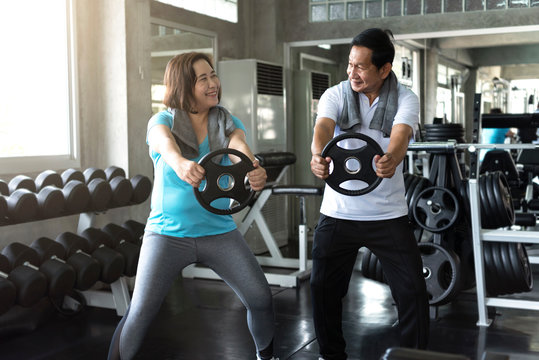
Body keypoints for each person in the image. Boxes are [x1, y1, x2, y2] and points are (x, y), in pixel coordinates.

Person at [107, 52, 278, 360]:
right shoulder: (163, 120)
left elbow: (237, 144)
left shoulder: (227, 121)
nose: (213, 83)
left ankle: (267, 357)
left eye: (213, 75)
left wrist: (254, 166)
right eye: (203, 79)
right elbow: (164, 144)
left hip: (218, 232)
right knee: (141, 311)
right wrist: (181, 163)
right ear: (184, 85)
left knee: (260, 297)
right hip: (167, 234)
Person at [309, 28, 429, 360]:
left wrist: (392, 158)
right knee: (322, 289)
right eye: (350, 65)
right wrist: (317, 155)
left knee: (413, 293)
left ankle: (415, 357)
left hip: (387, 216)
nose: (352, 73)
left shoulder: (406, 97)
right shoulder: (335, 94)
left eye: (361, 67)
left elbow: (401, 136)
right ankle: (332, 355)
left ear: (384, 69)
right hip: (338, 213)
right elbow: (322, 128)